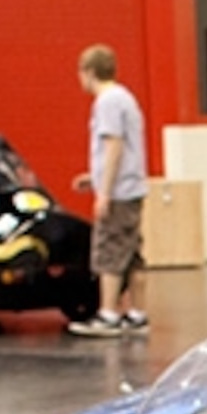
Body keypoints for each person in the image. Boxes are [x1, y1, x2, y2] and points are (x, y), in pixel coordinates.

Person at [67, 44, 149, 338]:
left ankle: (108, 314)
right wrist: (94, 176)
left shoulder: (108, 102)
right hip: (131, 187)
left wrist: (104, 191)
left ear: (89, 72)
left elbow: (114, 145)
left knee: (109, 252)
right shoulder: (124, 98)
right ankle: (138, 314)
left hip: (119, 192)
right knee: (132, 254)